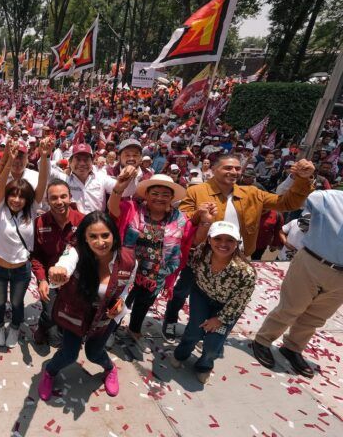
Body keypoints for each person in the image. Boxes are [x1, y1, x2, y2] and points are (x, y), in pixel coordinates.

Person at [163, 155, 315, 338]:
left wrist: (302, 179)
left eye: (237, 168)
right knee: (182, 290)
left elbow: (287, 203)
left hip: (235, 258)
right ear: (214, 169)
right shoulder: (197, 191)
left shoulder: (252, 193)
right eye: (228, 168)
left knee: (220, 297)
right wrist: (199, 214)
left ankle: (204, 329)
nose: (233, 172)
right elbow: (183, 220)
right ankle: (170, 320)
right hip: (200, 255)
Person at [37, 212, 138, 401]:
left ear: (114, 235)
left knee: (94, 353)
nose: (100, 242)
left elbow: (125, 288)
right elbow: (65, 264)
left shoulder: (129, 260)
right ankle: (50, 372)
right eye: (93, 236)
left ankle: (110, 368)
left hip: (104, 319)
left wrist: (121, 303)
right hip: (76, 312)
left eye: (105, 235)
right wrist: (58, 272)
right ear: (84, 237)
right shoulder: (75, 252)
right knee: (68, 353)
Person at [108, 170, 204, 352]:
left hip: (157, 274)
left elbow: (194, 239)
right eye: (155, 193)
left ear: (172, 197)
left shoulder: (180, 218)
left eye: (165, 194)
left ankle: (134, 330)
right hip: (128, 270)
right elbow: (114, 209)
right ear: (147, 194)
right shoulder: (133, 209)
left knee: (143, 304)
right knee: (120, 301)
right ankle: (110, 330)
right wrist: (117, 189)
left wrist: (204, 221)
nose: (160, 198)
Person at [252, 190, 343, 378]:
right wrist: (300, 178)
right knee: (291, 307)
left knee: (317, 317)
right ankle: (262, 341)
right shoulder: (329, 198)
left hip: (340, 276)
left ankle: (293, 347)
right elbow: (291, 199)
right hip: (313, 262)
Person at [170, 221, 256, 385]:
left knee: (213, 343)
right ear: (209, 240)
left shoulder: (246, 272)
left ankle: (204, 366)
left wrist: (220, 319)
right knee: (194, 331)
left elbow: (240, 301)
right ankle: (180, 354)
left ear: (237, 243)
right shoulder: (202, 252)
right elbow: (189, 265)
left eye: (230, 240)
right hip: (201, 296)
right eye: (218, 238)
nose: (223, 244)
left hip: (226, 307)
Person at [0, 138, 51, 349]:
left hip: (21, 270)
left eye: (21, 197)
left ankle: (14, 327)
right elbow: (2, 184)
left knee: (16, 303)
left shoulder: (31, 211)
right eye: (12, 195)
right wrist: (8, 160)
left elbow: (42, 183)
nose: (16, 200)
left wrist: (44, 157)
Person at [30, 180, 85, 346]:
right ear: (47, 200)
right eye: (54, 198)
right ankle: (42, 327)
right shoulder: (39, 223)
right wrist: (42, 280)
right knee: (50, 315)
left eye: (63, 196)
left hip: (76, 278)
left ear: (70, 197)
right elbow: (36, 255)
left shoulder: (84, 222)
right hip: (50, 279)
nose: (59, 201)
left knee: (69, 319)